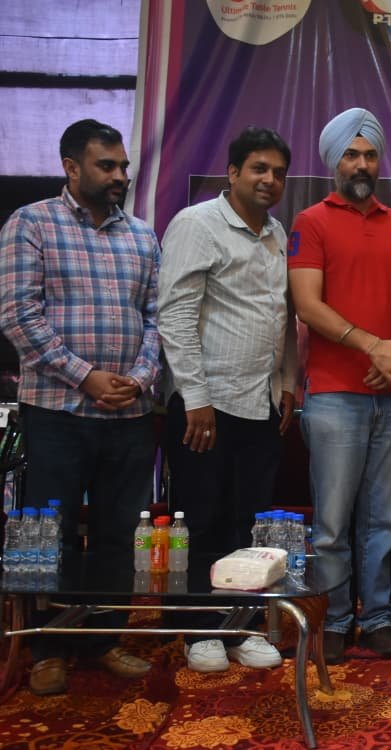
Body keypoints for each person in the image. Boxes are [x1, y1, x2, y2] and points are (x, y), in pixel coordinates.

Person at [0, 119, 158, 695]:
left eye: (123, 166)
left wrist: (139, 379)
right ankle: (49, 648)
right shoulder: (31, 224)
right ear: (71, 167)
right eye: (106, 166)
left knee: (117, 534)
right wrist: (85, 377)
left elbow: (157, 319)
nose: (120, 176)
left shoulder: (142, 236)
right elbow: (19, 316)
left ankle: (104, 639)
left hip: (129, 415)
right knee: (53, 534)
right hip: (57, 413)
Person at [158, 127, 298, 673]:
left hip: (260, 403)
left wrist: (287, 382)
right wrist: (194, 397)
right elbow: (175, 314)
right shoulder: (197, 224)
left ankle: (239, 627)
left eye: (278, 172)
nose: (269, 180)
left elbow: (282, 316)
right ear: (233, 172)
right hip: (206, 406)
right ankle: (198, 630)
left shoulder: (277, 233)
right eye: (259, 168)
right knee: (203, 520)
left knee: (247, 523)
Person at [288, 108, 391, 663]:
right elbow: (307, 304)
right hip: (334, 393)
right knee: (333, 522)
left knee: (386, 517)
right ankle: (336, 619)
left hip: (390, 392)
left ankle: (379, 618)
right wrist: (373, 346)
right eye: (351, 155)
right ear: (333, 162)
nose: (361, 165)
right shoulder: (311, 222)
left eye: (369, 155)